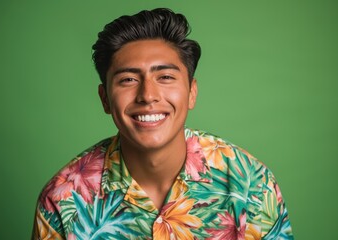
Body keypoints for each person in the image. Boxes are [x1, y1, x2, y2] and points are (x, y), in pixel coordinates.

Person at [32, 8, 293, 240]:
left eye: (165, 76)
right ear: (105, 99)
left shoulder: (251, 184)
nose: (148, 95)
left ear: (191, 92)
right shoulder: (63, 200)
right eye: (128, 80)